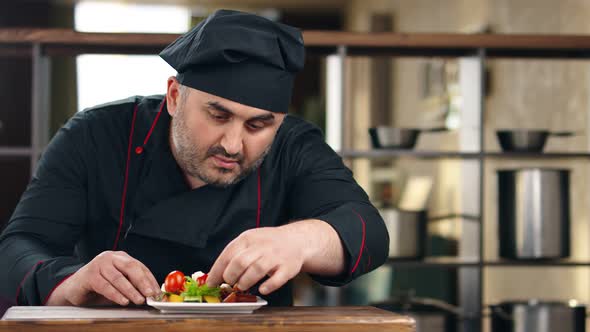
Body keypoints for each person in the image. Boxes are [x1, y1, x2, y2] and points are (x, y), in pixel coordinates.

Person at [0, 9, 389, 307]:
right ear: (173, 97)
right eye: (218, 116)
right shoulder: (95, 135)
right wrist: (70, 283)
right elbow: (18, 247)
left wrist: (304, 239)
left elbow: (368, 230)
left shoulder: (294, 146)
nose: (234, 144)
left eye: (258, 125)